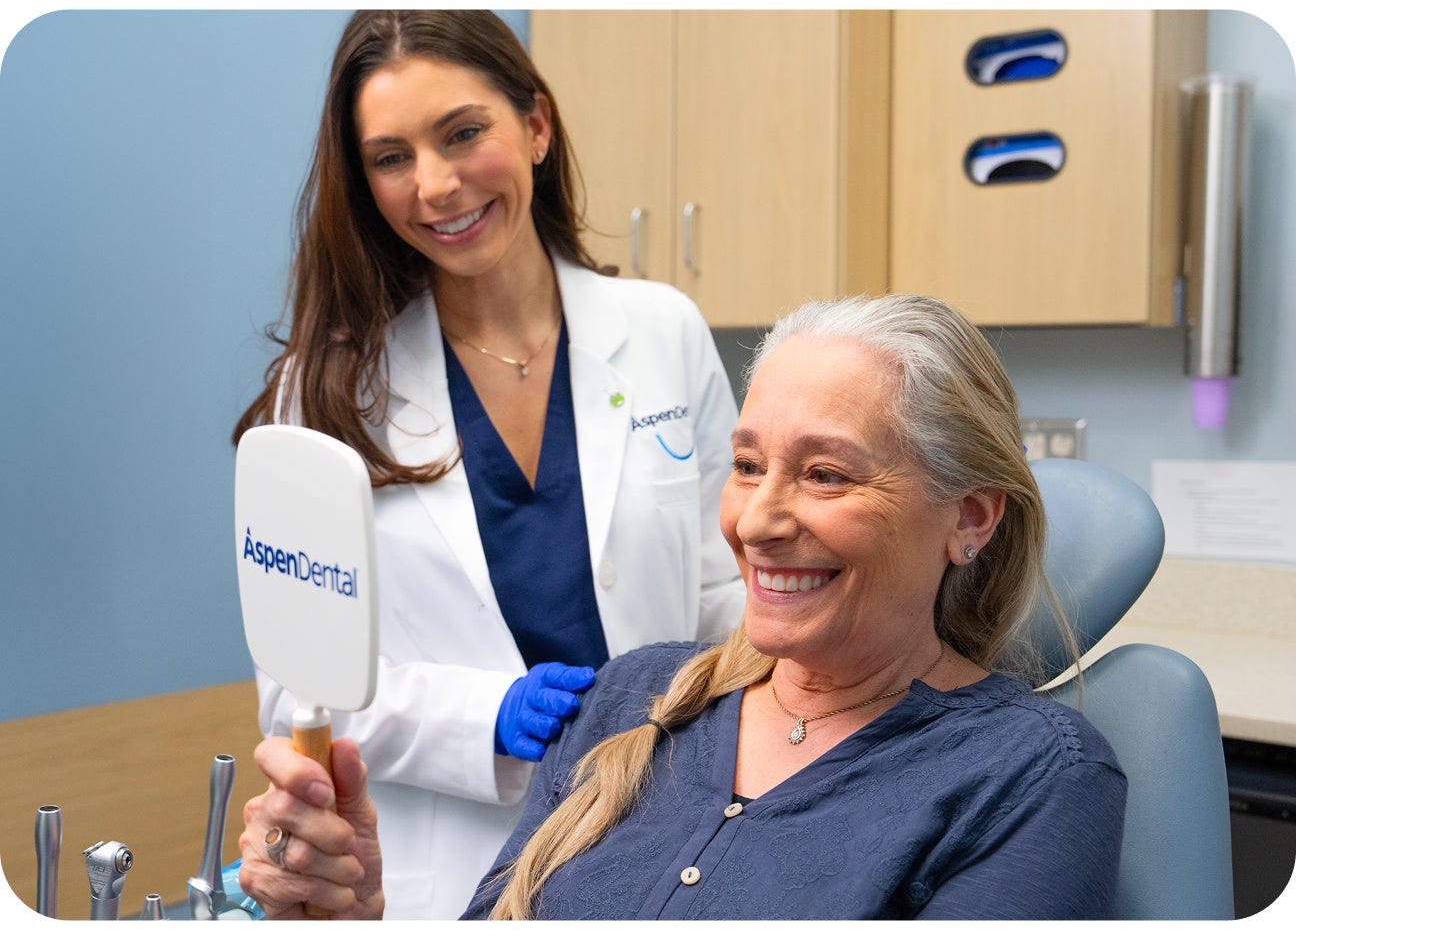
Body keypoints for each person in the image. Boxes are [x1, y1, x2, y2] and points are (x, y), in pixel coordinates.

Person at [237, 294, 1128, 920]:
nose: (759, 520)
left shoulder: (1030, 777)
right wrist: (347, 917)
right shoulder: (635, 702)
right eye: (745, 465)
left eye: (824, 473)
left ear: (969, 519)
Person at [230, 10, 745, 919]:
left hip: (669, 839)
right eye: (391, 157)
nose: (435, 185)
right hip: (455, 871)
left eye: (464, 133)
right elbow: (297, 689)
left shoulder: (662, 332)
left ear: (536, 127)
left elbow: (724, 599)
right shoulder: (326, 390)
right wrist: (485, 716)